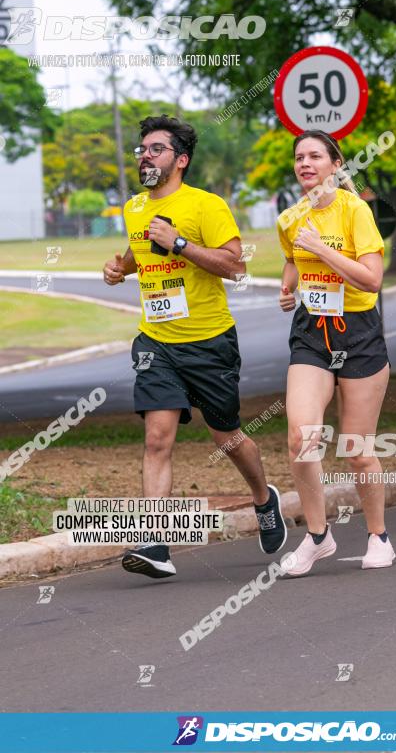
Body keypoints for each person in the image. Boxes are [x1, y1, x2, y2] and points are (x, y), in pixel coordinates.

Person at [103, 114, 286, 579]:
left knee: (226, 437)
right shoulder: (134, 208)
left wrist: (180, 242)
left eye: (156, 149)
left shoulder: (207, 206)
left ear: (180, 160)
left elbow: (235, 266)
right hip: (156, 341)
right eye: (142, 149)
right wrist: (120, 268)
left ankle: (265, 499)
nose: (145, 155)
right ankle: (156, 543)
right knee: (157, 437)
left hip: (209, 341)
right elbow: (138, 250)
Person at [277, 129, 393, 576]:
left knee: (357, 449)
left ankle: (378, 535)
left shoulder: (356, 211)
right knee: (300, 436)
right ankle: (318, 537)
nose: (305, 164)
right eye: (299, 157)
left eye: (315, 156)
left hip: (359, 333)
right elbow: (292, 259)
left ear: (335, 164)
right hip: (311, 333)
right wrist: (289, 288)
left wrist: (322, 250)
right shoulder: (290, 218)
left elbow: (371, 280)